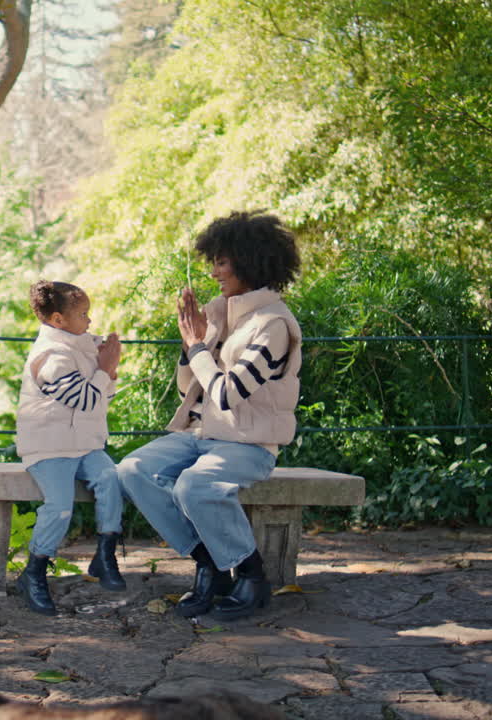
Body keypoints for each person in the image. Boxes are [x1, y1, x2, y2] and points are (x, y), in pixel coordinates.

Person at [117, 210, 302, 621]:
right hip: (201, 434)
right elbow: (191, 390)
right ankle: (211, 563)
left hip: (248, 444)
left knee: (194, 485)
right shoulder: (221, 310)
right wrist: (191, 347)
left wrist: (198, 347)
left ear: (250, 261)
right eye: (213, 261)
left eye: (222, 261)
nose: (215, 271)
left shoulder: (273, 324)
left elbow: (229, 393)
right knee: (132, 469)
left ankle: (251, 575)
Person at [14, 280, 126, 616]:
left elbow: (104, 394)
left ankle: (105, 555)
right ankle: (34, 570)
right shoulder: (50, 357)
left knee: (111, 479)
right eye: (83, 314)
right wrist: (107, 368)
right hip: (50, 446)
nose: (90, 321)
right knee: (60, 505)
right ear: (59, 320)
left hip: (83, 443)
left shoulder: (83, 346)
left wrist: (107, 368)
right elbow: (87, 399)